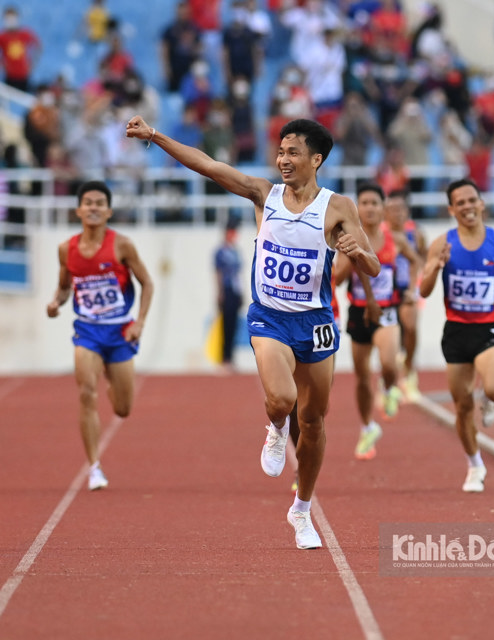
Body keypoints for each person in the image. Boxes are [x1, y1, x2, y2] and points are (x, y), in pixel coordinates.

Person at [126, 115, 379, 549]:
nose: (282, 160)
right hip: (270, 316)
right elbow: (208, 166)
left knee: (315, 422)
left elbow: (372, 265)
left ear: (316, 159)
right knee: (282, 399)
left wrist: (358, 253)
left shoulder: (338, 208)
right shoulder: (265, 194)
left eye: (292, 152)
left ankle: (301, 510)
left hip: (315, 322)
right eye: (280, 152)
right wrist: (156, 137)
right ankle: (276, 427)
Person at [419, 178, 494, 493]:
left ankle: (489, 399)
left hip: (488, 328)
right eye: (460, 202)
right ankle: (475, 465)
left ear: (481, 203)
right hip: (457, 331)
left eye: (471, 200)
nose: (467, 206)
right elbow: (424, 289)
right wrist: (436, 267)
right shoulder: (442, 243)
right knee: (461, 407)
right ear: (451, 209)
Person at [46, 181, 155, 491]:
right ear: (79, 210)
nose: (93, 207)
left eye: (99, 203)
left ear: (108, 211)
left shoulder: (122, 245)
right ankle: (94, 467)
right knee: (85, 392)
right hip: (88, 331)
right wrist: (56, 302)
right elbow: (65, 286)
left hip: (120, 331)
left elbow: (147, 283)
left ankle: (112, 381)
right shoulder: (66, 249)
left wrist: (140, 323)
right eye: (87, 202)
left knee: (123, 409)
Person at [334, 182, 420, 460]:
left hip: (386, 311)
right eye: (365, 203)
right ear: (357, 208)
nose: (370, 208)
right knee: (361, 378)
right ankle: (367, 427)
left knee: (387, 363)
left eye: (375, 203)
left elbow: (415, 260)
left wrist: (410, 290)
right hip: (359, 313)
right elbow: (338, 279)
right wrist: (350, 254)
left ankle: (390, 386)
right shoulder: (349, 237)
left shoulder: (396, 237)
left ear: (384, 208)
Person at [384, 189, 426, 400]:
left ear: (407, 211)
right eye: (392, 209)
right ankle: (388, 382)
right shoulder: (380, 232)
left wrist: (414, 286)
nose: (397, 213)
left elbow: (421, 259)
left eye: (401, 209)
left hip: (408, 287)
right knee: (390, 339)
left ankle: (409, 371)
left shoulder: (415, 233)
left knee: (410, 327)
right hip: (385, 291)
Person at [214, 220, 243, 370]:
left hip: (236, 291)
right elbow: (218, 273)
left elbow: (239, 274)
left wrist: (242, 292)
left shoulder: (236, 251)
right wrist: (219, 293)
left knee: (234, 326)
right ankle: (224, 357)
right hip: (227, 290)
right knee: (225, 326)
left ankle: (231, 357)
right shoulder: (221, 252)